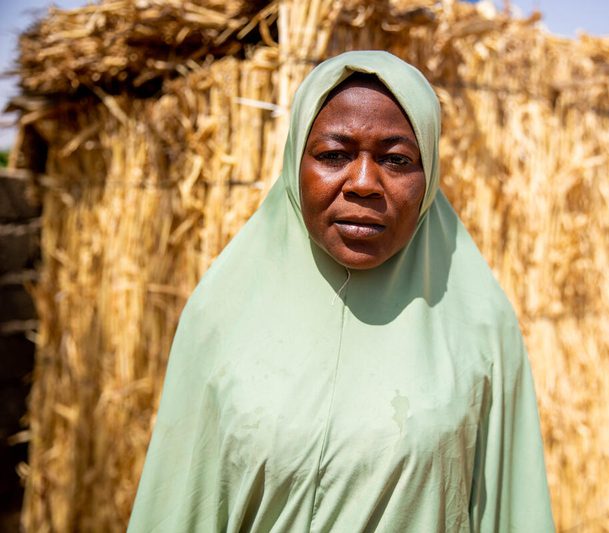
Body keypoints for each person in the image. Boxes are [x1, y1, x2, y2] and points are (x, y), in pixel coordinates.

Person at [128, 50, 554, 532]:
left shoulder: (480, 328)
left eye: (396, 160)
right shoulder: (221, 316)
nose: (364, 183)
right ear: (295, 163)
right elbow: (179, 503)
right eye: (334, 155)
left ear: (430, 174)